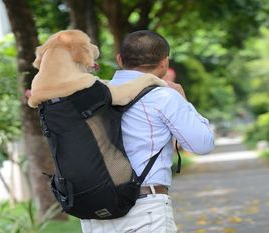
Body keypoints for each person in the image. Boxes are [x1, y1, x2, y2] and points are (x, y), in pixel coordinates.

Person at [80, 30, 215, 233]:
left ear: (119, 59)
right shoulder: (164, 96)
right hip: (145, 209)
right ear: (164, 62)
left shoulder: (94, 94)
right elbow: (202, 144)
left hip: (95, 211)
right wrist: (184, 101)